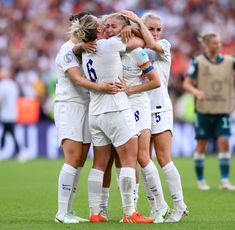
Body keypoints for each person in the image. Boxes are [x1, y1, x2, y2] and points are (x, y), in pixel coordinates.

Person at [71, 14, 155, 223]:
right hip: (116, 109)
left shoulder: (86, 50)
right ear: (98, 31)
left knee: (99, 163)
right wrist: (133, 26)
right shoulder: (110, 45)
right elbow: (144, 41)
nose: (105, 26)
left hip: (96, 113)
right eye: (101, 24)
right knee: (128, 160)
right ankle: (129, 213)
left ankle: (95, 212)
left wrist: (81, 45)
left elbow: (74, 49)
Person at [54, 11, 123, 224]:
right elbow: (77, 79)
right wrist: (100, 87)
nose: (101, 29)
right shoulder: (66, 51)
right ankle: (61, 212)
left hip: (87, 106)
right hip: (70, 106)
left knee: (81, 161)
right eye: (98, 26)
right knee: (72, 158)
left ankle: (69, 210)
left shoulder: (87, 48)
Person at [121, 10, 188, 222]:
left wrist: (138, 21)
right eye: (152, 29)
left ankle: (179, 205)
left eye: (159, 29)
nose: (156, 33)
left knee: (163, 158)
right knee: (143, 158)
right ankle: (154, 207)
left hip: (159, 108)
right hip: (140, 108)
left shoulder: (163, 46)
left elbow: (152, 45)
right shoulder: (134, 48)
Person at [101, 13, 167, 223]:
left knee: (142, 156)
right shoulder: (112, 50)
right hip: (120, 107)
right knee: (124, 159)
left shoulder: (138, 52)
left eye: (114, 26)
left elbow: (155, 81)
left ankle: (159, 204)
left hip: (138, 104)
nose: (109, 29)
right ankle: (132, 209)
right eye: (107, 26)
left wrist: (130, 89)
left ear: (124, 28)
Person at [183, 32, 235, 191]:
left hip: (223, 109)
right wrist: (196, 92)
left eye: (219, 43)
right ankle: (200, 180)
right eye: (214, 43)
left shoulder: (230, 61)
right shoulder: (198, 62)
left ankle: (224, 180)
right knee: (201, 144)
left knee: (224, 142)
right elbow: (187, 83)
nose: (218, 46)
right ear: (206, 44)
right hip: (204, 110)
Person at [0, 68, 20, 158]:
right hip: (13, 112)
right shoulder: (13, 85)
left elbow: (1, 100)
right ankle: (20, 151)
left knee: (8, 133)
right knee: (8, 132)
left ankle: (20, 151)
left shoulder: (2, 85)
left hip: (5, 113)